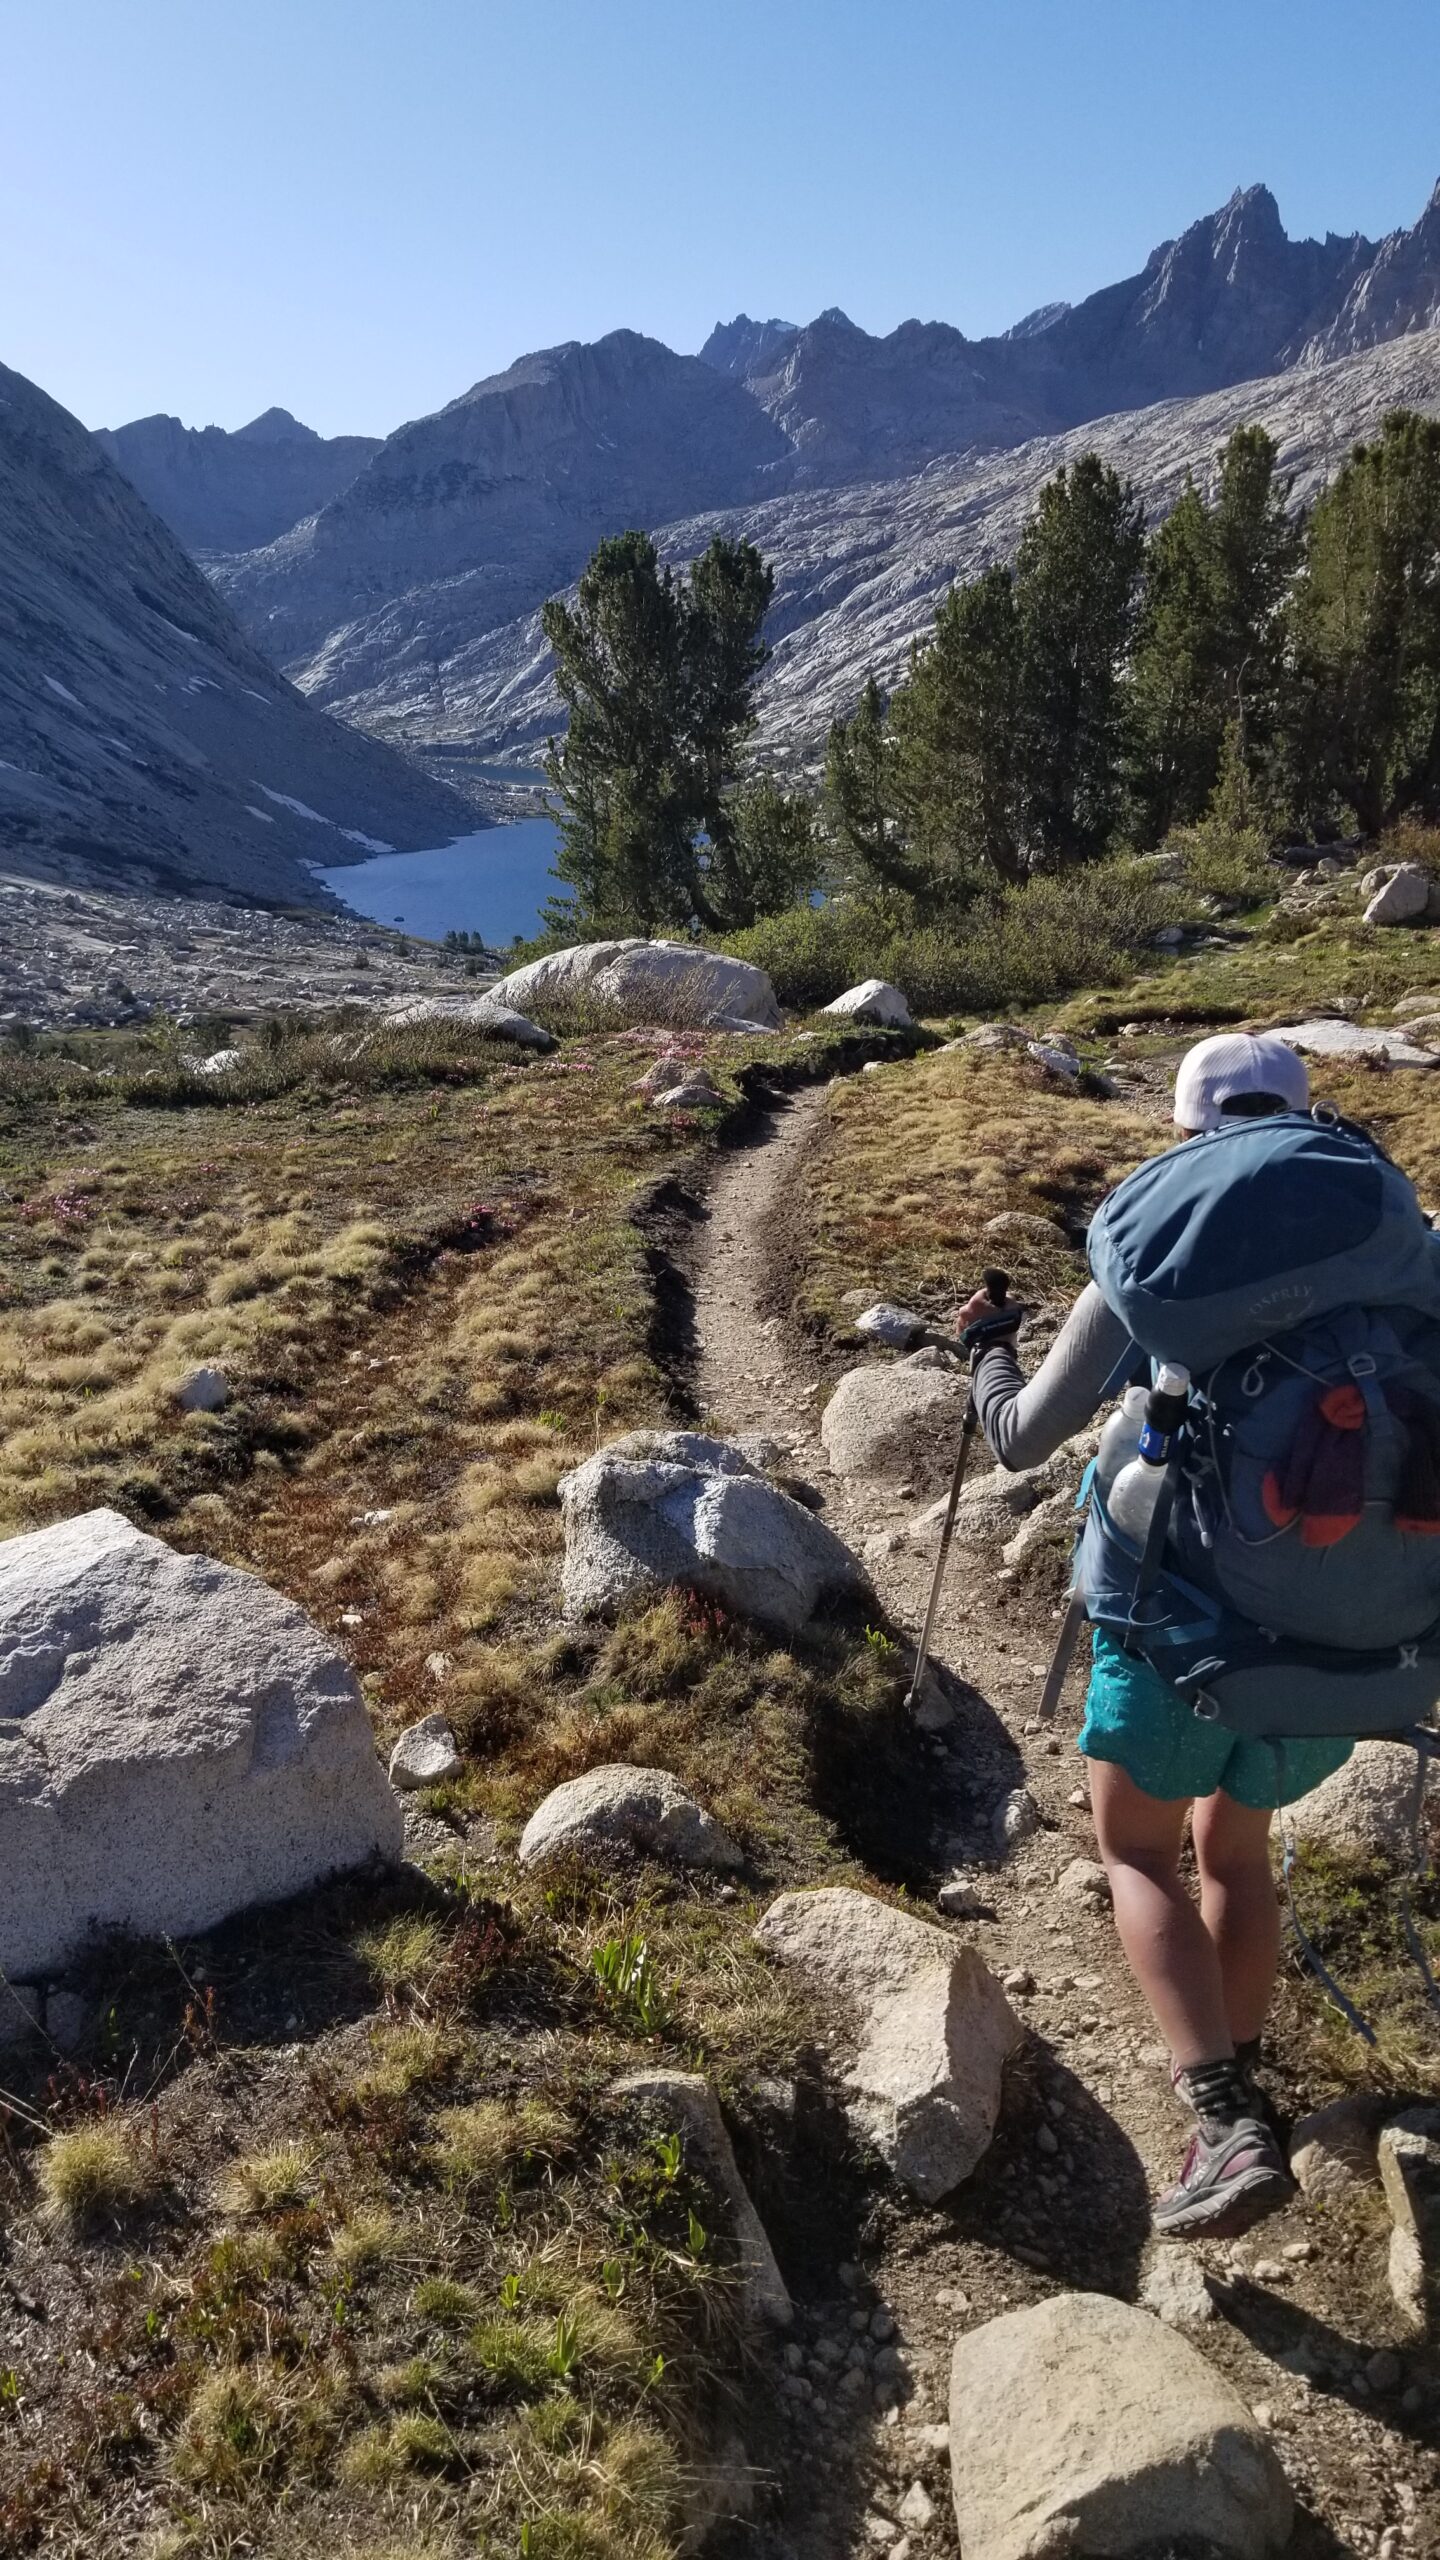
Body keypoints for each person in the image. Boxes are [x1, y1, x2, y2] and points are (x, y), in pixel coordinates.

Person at [955, 1032, 1355, 2240]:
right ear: (1304, 1122)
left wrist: (985, 1351)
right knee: (1236, 1852)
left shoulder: (1164, 1255)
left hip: (1177, 1627)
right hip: (1341, 1636)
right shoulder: (1395, 1250)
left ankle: (1224, 2118)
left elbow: (1022, 1436)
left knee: (1137, 1852)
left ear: (1184, 1135)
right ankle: (1233, 2096)